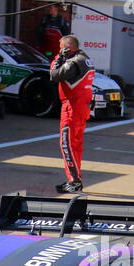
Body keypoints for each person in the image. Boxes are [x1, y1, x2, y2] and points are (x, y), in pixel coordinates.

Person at [49, 34, 94, 193]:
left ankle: (74, 181)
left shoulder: (74, 62)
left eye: (61, 48)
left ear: (68, 48)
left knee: (67, 144)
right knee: (75, 145)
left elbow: (54, 75)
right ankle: (75, 179)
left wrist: (57, 59)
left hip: (72, 108)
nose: (59, 51)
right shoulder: (84, 58)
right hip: (81, 106)